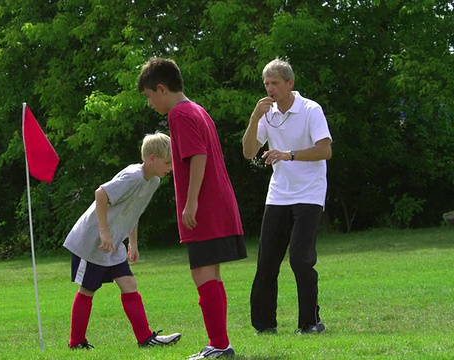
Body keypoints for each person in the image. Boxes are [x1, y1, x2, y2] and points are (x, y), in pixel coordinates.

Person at [137, 57, 246, 359]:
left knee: (202, 274)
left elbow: (198, 156)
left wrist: (191, 201)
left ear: (161, 88)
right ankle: (221, 344)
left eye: (149, 96)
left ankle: (219, 345)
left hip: (205, 207)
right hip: (219, 203)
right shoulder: (197, 109)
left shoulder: (179, 114)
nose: (150, 103)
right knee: (211, 274)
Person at [63, 132, 182, 350]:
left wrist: (132, 243)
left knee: (129, 284)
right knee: (87, 289)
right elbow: (101, 194)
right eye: (168, 162)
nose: (171, 168)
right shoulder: (133, 176)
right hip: (92, 241)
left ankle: (146, 339)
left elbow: (133, 212)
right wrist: (104, 233)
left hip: (114, 242)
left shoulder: (153, 181)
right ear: (152, 158)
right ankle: (76, 342)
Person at [242, 57, 332, 335]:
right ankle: (264, 326)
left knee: (300, 259)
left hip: (309, 194)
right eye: (266, 84)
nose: (270, 89)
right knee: (267, 260)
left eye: (275, 83)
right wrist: (255, 117)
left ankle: (310, 323)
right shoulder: (267, 114)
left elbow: (325, 150)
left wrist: (288, 155)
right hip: (279, 195)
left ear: (290, 83)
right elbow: (248, 152)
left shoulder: (310, 109)